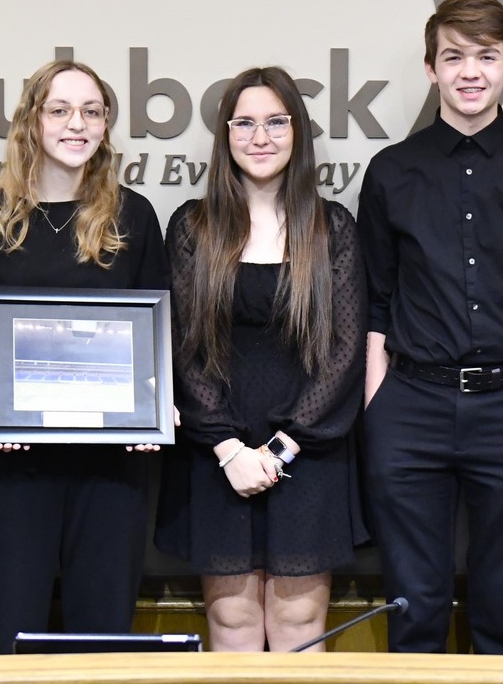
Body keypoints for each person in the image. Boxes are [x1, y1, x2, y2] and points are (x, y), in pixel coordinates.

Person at [356, 0, 503, 654]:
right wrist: (379, 403)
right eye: (453, 56)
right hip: (411, 405)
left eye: (486, 56)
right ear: (431, 68)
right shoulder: (391, 172)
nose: (470, 71)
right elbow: (376, 299)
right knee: (415, 607)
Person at [0, 60, 168, 655]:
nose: (78, 124)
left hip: (112, 470)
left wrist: (157, 402)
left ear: (106, 126)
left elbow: (158, 331)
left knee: (101, 645)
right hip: (11, 466)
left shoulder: (134, 216)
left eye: (92, 111)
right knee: (5, 640)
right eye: (60, 110)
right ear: (31, 121)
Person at [155, 66, 367, 652]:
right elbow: (182, 347)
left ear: (297, 131)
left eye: (276, 122)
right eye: (244, 123)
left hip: (310, 450)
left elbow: (345, 352)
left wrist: (280, 449)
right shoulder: (193, 228)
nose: (260, 136)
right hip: (217, 453)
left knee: (300, 628)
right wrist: (229, 451)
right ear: (225, 135)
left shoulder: (333, 229)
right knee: (233, 625)